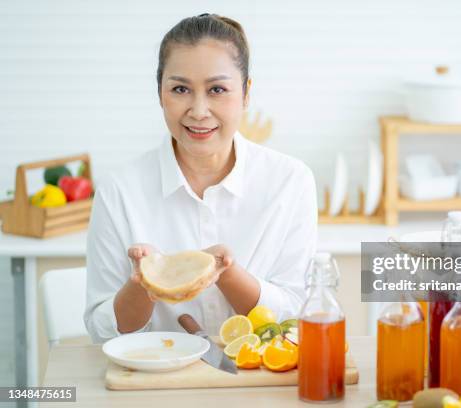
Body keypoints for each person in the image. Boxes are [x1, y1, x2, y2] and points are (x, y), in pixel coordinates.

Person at [84, 14, 317, 343]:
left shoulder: (290, 182)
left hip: (258, 380)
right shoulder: (118, 190)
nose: (198, 110)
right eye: (180, 89)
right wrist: (144, 285)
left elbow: (296, 316)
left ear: (246, 93)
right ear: (160, 92)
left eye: (217, 89)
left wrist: (227, 274)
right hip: (154, 384)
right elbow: (101, 327)